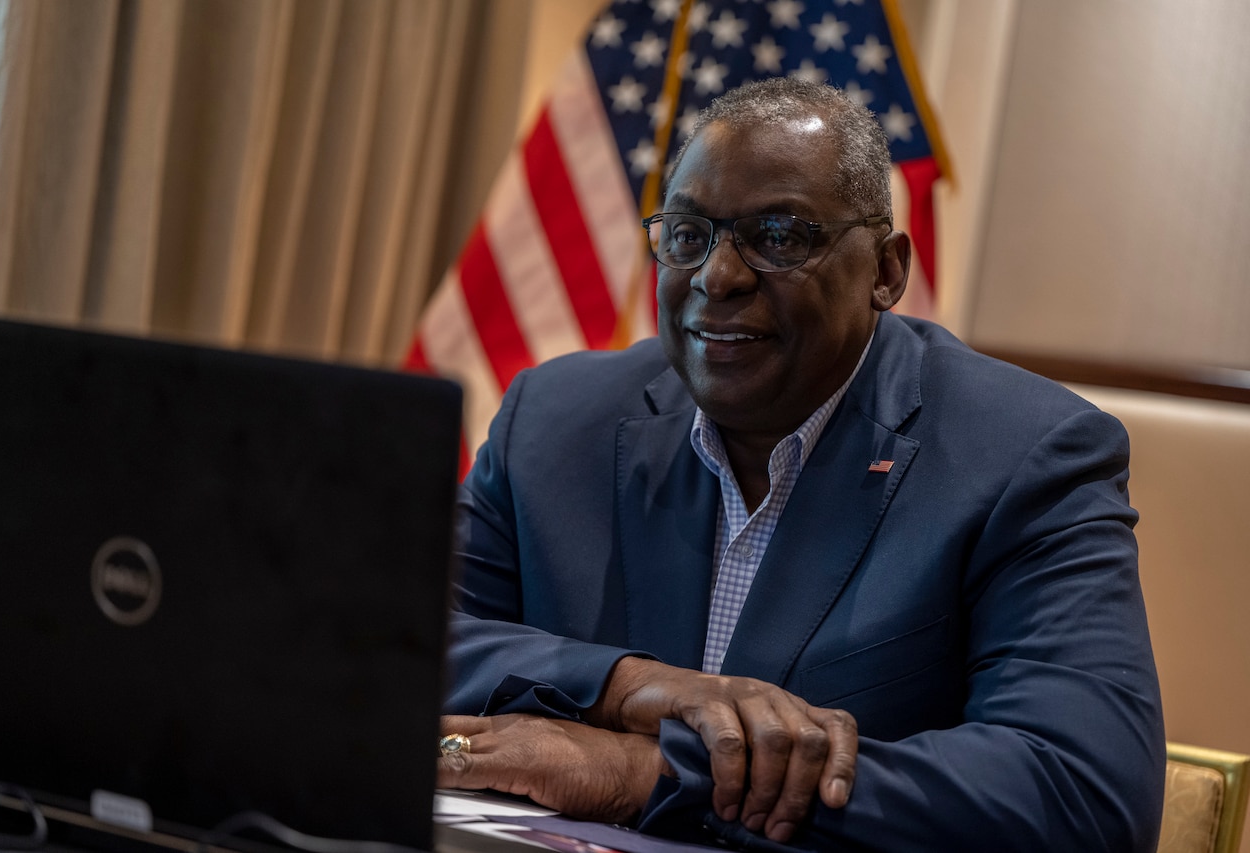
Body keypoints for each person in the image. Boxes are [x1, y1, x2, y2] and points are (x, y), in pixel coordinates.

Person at [436, 77, 1166, 851]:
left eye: (779, 237)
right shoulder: (557, 419)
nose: (719, 277)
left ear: (887, 271)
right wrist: (634, 688)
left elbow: (1083, 795)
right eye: (688, 234)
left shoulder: (1026, 455)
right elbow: (399, 641)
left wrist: (651, 771)